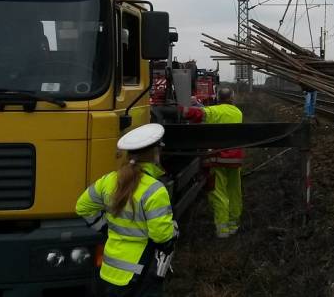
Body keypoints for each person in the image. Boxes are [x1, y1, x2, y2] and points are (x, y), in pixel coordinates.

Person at [75, 123, 177, 297]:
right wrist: (173, 230)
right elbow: (161, 236)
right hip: (140, 274)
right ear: (155, 153)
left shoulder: (109, 180)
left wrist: (104, 227)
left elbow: (82, 207)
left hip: (108, 271)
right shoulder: (155, 189)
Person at [181, 86, 245, 238]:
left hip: (217, 161)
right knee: (234, 192)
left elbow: (193, 114)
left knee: (219, 195)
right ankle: (234, 224)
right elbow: (216, 113)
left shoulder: (214, 111)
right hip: (235, 161)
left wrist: (184, 105)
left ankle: (222, 231)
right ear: (232, 98)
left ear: (218, 98)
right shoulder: (238, 113)